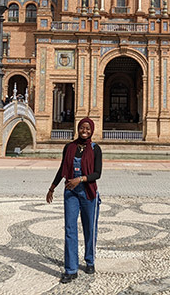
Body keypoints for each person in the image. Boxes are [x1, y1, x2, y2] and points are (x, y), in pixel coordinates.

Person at [46, 117, 102, 284]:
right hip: (70, 192)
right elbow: (62, 168)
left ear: (92, 130)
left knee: (89, 228)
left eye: (87, 128)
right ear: (78, 128)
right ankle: (71, 269)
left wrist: (81, 179)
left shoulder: (95, 148)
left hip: (88, 192)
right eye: (82, 128)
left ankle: (90, 260)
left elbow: (97, 173)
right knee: (70, 229)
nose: (84, 131)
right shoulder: (69, 147)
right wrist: (52, 187)